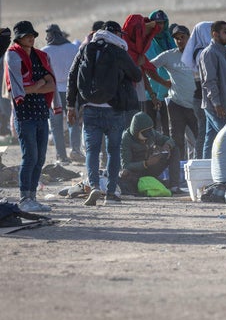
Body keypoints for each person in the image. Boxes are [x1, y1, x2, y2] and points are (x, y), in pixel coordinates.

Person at [67, 21, 142, 206]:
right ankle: (111, 193)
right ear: (116, 33)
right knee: (113, 151)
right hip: (113, 110)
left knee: (92, 151)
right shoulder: (119, 51)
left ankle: (93, 186)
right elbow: (136, 75)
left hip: (89, 109)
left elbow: (72, 75)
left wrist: (70, 106)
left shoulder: (86, 48)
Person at [6, 20, 61, 212]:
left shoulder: (40, 57)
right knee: (29, 156)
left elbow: (51, 84)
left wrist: (33, 87)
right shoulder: (13, 56)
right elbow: (17, 89)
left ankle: (33, 197)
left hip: (40, 113)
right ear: (19, 38)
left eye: (32, 35)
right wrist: (37, 86)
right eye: (27, 35)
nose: (32, 37)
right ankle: (24, 198)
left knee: (40, 158)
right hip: (24, 115)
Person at [149, 24, 199, 162]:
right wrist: (163, 82)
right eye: (177, 38)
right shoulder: (169, 55)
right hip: (176, 104)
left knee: (198, 139)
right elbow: (148, 67)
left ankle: (194, 167)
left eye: (183, 37)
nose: (180, 40)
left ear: (189, 38)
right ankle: (179, 172)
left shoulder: (198, 54)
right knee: (177, 141)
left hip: (196, 105)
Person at [41, 23, 83, 164]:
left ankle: (61, 156)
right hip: (72, 89)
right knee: (74, 121)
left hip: (54, 92)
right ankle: (75, 149)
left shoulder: (44, 51)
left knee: (56, 125)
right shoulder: (73, 48)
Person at [119, 112, 182, 195]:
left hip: (152, 166)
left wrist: (167, 145)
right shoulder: (126, 139)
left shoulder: (151, 133)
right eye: (144, 133)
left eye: (149, 131)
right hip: (137, 172)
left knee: (174, 150)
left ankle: (174, 186)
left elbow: (168, 140)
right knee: (125, 173)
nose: (147, 136)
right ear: (136, 131)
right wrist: (146, 163)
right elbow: (126, 165)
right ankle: (154, 183)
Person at [199, 20, 226, 159]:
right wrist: (217, 104)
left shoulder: (221, 52)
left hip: (221, 104)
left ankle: (205, 171)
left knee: (211, 138)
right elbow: (209, 81)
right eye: (225, 32)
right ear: (215, 34)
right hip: (216, 106)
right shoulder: (210, 53)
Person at [181, 21, 213, 159]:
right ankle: (200, 160)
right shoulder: (201, 52)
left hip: (203, 95)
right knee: (204, 131)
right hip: (202, 97)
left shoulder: (205, 50)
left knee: (207, 131)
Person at [144, 10, 175, 136]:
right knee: (149, 128)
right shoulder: (147, 41)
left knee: (168, 128)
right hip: (150, 90)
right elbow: (147, 65)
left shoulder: (170, 40)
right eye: (156, 23)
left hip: (168, 90)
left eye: (162, 23)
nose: (160, 26)